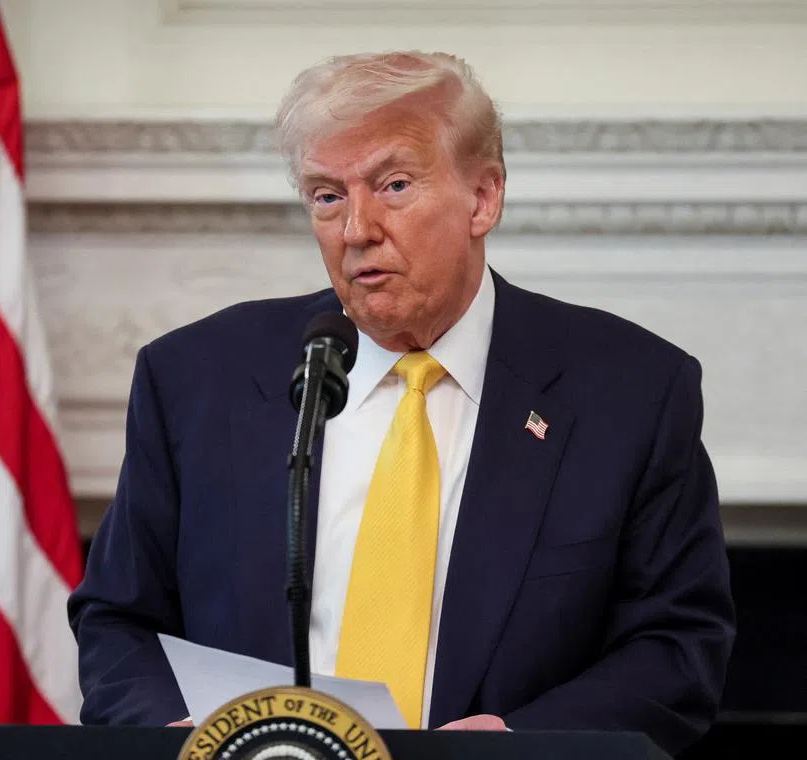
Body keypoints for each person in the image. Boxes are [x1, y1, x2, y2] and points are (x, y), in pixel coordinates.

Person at [67, 51, 735, 755]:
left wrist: (519, 742)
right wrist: (181, 736)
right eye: (327, 196)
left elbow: (677, 645)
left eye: (393, 185)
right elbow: (119, 618)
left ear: (483, 198)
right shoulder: (197, 378)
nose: (357, 229)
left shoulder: (630, 392)